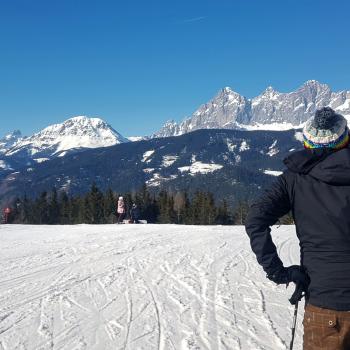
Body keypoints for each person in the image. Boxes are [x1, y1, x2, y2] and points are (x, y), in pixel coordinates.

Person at [245, 107, 350, 350]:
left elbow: (255, 219)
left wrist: (279, 272)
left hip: (325, 305)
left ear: (308, 142)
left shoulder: (294, 179)